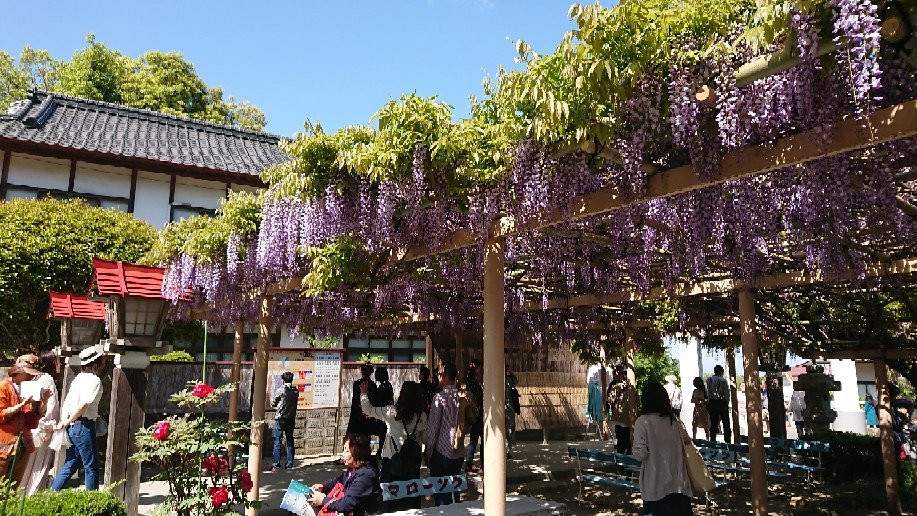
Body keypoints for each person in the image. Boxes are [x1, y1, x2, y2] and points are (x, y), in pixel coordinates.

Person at [360, 380, 427, 511]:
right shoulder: (421, 415)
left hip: (391, 459)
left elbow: (368, 410)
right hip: (413, 460)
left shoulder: (391, 411)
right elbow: (425, 438)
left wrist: (363, 393)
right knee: (411, 493)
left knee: (389, 494)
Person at [633, 381, 694, 516]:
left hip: (655, 486)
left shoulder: (642, 422)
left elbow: (640, 454)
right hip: (679, 485)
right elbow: (688, 444)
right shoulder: (674, 421)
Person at [51, 345, 105, 491]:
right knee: (91, 467)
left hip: (73, 427)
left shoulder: (78, 379)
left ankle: (51, 493)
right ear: (95, 363)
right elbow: (84, 405)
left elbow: (68, 403)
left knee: (71, 463)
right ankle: (92, 503)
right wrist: (67, 421)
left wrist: (66, 422)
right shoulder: (94, 380)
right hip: (83, 426)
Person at [19, 352, 60, 494]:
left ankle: (29, 498)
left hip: (38, 428)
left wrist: (47, 427)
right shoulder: (25, 380)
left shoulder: (44, 379)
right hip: (26, 429)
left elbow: (50, 406)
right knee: (25, 468)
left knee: (36, 468)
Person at [308, 433, 379, 516]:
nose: (343, 454)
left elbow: (347, 504)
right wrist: (323, 487)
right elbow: (338, 480)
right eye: (343, 450)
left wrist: (323, 500)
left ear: (357, 452)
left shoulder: (365, 476)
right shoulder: (353, 470)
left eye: (347, 451)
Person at [424, 362, 462, 506]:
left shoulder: (440, 397)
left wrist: (428, 452)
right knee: (455, 490)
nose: (438, 377)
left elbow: (434, 427)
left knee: (441, 493)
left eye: (439, 374)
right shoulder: (463, 395)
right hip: (458, 450)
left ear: (444, 376)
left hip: (441, 450)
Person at [0, 361, 43, 485]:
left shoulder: (28, 390)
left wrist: (42, 403)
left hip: (23, 445)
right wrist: (22, 405)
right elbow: (1, 415)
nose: (31, 377)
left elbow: (32, 423)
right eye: (28, 374)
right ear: (18, 372)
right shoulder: (4, 387)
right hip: (5, 446)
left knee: (15, 485)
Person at [271, 371, 299, 472]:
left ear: (283, 379)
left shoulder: (281, 390)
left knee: (277, 441)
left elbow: (273, 402)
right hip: (291, 418)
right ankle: (289, 464)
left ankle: (276, 465)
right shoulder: (296, 391)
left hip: (280, 418)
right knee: (290, 441)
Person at [609, 367, 638, 455]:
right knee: (628, 442)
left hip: (619, 418)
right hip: (629, 419)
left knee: (621, 442)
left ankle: (621, 462)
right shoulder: (632, 388)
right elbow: (637, 401)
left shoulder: (615, 387)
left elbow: (610, 400)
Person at [346, 363, 378, 440]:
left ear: (362, 372)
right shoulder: (373, 385)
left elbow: (356, 400)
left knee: (356, 437)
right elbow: (374, 401)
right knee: (366, 436)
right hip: (368, 413)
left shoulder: (357, 383)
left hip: (357, 413)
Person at [463, 359, 484, 473]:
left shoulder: (467, 382)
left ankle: (469, 463)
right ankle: (481, 463)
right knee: (479, 439)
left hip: (472, 414)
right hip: (478, 414)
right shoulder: (474, 384)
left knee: (473, 439)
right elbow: (480, 398)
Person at [370, 367, 394, 460]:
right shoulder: (388, 385)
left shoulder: (383, 387)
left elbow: (378, 401)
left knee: (376, 433)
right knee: (383, 433)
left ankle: (374, 451)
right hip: (386, 414)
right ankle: (379, 451)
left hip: (380, 413)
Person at [706, 365, 731, 443]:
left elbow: (708, 391)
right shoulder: (723, 380)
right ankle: (727, 441)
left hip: (712, 402)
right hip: (721, 402)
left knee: (713, 422)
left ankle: (712, 440)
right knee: (726, 423)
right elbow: (726, 393)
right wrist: (726, 403)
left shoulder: (709, 380)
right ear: (721, 372)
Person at [505, 367, 521, 459]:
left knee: (509, 428)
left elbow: (516, 381)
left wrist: (511, 374)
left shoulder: (510, 379)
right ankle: (507, 450)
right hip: (507, 406)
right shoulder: (509, 379)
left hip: (508, 406)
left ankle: (507, 450)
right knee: (509, 428)